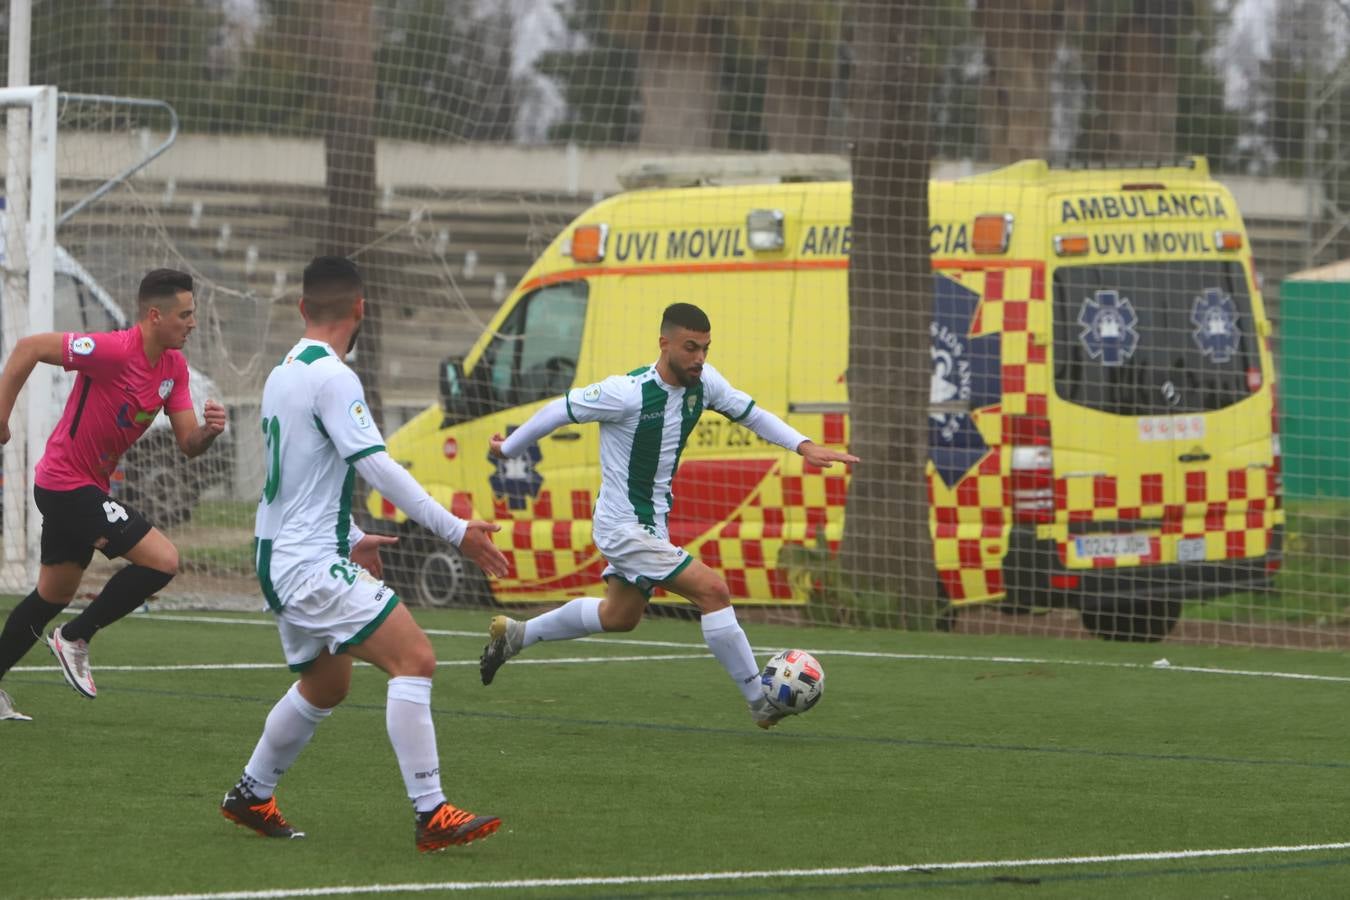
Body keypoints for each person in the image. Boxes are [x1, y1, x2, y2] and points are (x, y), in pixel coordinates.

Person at [219, 256, 510, 852]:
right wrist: (456, 530)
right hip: (305, 564)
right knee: (416, 659)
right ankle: (432, 812)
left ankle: (251, 794)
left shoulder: (283, 374)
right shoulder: (335, 378)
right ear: (361, 310)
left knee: (327, 685)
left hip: (277, 556)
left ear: (303, 308)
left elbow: (300, 479)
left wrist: (350, 536)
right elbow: (376, 466)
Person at [479, 302, 859, 728]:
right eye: (690, 347)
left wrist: (803, 445)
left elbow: (750, 413)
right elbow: (557, 410)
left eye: (705, 348)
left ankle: (517, 635)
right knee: (713, 591)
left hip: (651, 524)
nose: (699, 358)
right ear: (665, 343)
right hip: (621, 526)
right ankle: (759, 700)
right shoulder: (626, 392)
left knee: (619, 617)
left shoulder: (705, 383)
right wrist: (507, 449)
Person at [0, 268, 226, 722]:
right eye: (185, 315)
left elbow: (187, 445)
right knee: (163, 559)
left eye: (194, 314)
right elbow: (28, 348)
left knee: (52, 594)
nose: (193, 323)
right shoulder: (111, 350)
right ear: (154, 315)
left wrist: (210, 432)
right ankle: (76, 637)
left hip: (84, 488)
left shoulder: (173, 368)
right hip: (66, 484)